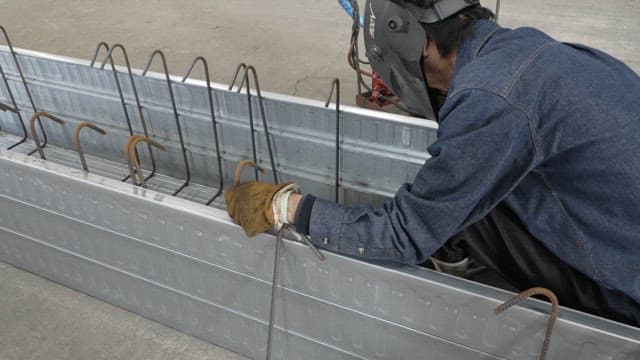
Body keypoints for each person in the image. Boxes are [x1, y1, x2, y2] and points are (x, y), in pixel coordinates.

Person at [224, 0, 640, 326]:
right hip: (617, 229)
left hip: (626, 286)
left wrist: (288, 208)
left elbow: (402, 234)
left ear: (417, 43)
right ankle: (458, 254)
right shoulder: (524, 50)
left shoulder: (490, 99)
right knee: (461, 191)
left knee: (454, 211)